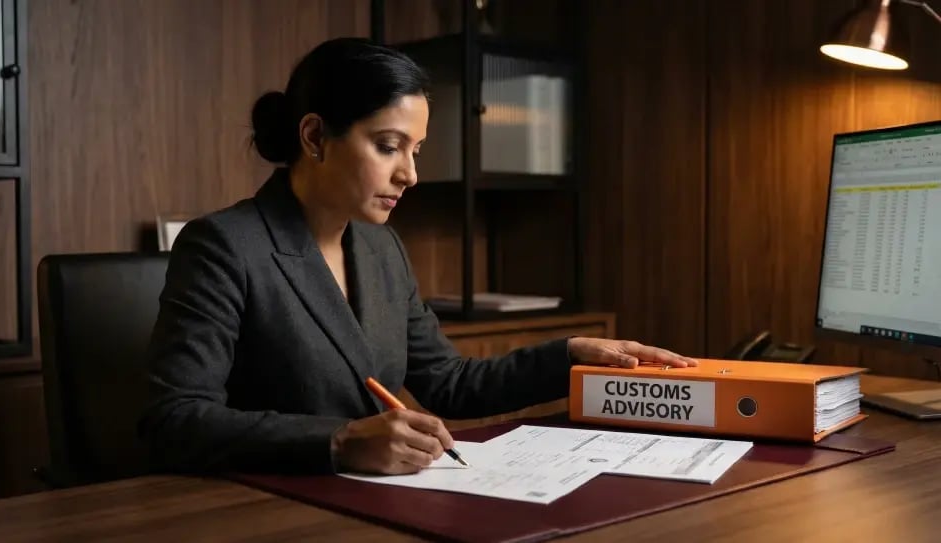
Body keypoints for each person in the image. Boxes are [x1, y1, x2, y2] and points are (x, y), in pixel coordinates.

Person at [138, 37, 696, 477]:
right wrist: (337, 442)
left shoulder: (380, 248)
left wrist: (571, 355)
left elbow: (448, 382)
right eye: (388, 146)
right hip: (265, 507)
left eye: (416, 150)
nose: (410, 174)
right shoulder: (225, 245)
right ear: (314, 137)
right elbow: (175, 420)